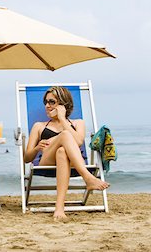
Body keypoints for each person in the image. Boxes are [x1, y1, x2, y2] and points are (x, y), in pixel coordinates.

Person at [25, 86, 109, 220]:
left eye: (52, 102)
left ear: (63, 104)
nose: (47, 105)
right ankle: (87, 177)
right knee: (64, 135)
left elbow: (79, 142)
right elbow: (26, 158)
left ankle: (59, 209)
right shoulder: (39, 126)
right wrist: (36, 149)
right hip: (46, 162)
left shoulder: (78, 123)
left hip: (71, 163)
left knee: (62, 151)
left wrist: (62, 119)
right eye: (46, 102)